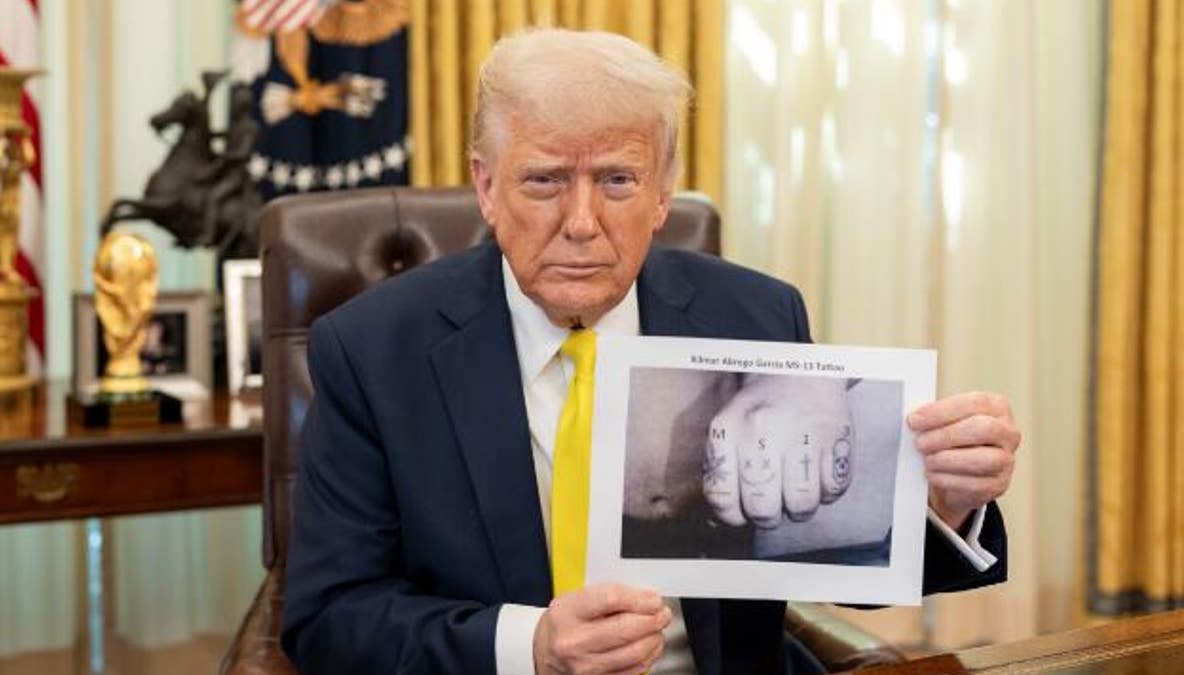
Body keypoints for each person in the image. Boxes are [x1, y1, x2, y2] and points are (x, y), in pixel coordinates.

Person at [282, 28, 1020, 675]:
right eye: (543, 180)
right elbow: (331, 617)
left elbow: (837, 563)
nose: (581, 222)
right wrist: (530, 646)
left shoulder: (755, 314)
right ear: (485, 185)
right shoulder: (374, 351)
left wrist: (944, 501)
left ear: (663, 194)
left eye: (617, 181)